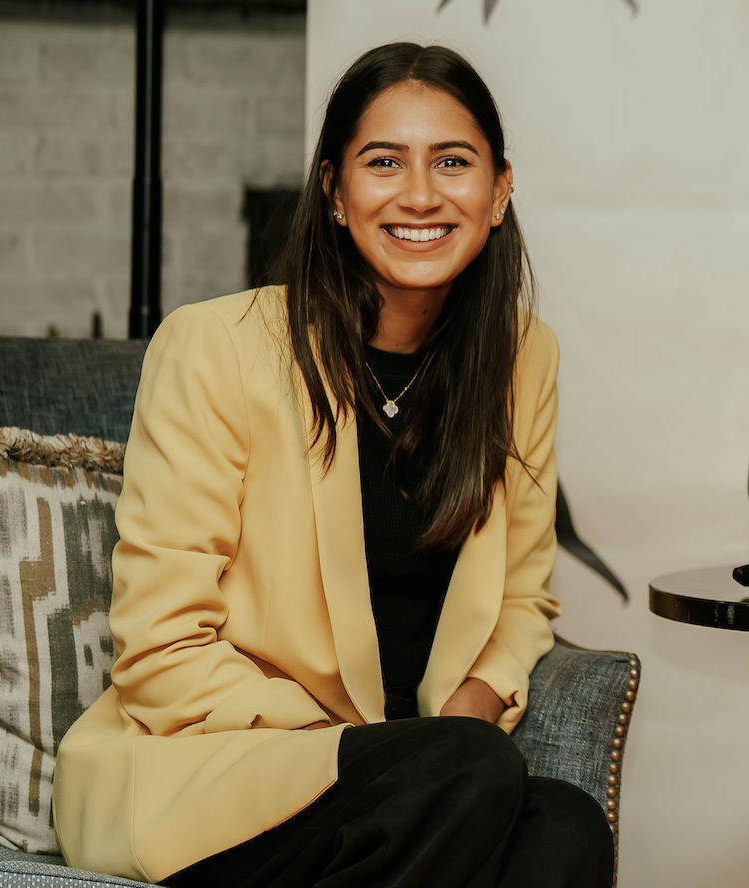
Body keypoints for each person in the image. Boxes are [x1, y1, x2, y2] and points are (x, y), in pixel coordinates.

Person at [53, 42, 614, 888]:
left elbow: (522, 599)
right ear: (335, 193)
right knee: (468, 776)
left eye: (453, 163)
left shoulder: (522, 358)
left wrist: (462, 722)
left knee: (564, 825)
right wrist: (365, 752)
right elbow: (162, 644)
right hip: (219, 777)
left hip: (422, 788)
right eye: (383, 162)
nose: (420, 194)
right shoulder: (218, 348)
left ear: (499, 191)